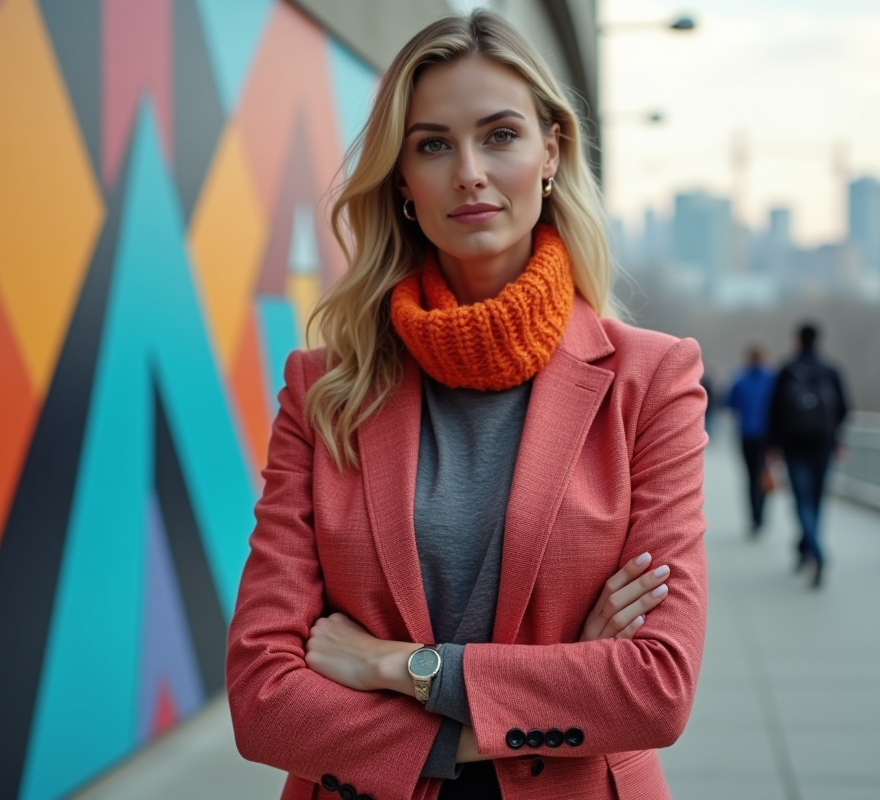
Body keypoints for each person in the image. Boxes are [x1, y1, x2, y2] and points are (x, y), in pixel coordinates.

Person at [226, 12, 709, 800]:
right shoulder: (323, 390)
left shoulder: (650, 382)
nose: (470, 172)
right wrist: (560, 685)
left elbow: (653, 688)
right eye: (433, 144)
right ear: (402, 182)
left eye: (500, 135)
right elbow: (262, 698)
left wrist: (399, 667)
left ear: (550, 150)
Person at [766, 322, 850, 588]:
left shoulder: (788, 370)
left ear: (797, 340)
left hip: (794, 446)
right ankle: (810, 547)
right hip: (823, 445)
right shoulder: (831, 369)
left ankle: (812, 550)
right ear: (820, 340)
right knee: (816, 499)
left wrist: (774, 445)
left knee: (802, 499)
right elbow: (845, 409)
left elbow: (774, 411)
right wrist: (837, 439)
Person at [727, 342, 775, 534]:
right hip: (766, 435)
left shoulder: (740, 379)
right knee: (762, 474)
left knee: (750, 476)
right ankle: (760, 515)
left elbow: (730, 404)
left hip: (747, 434)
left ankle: (754, 517)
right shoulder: (772, 379)